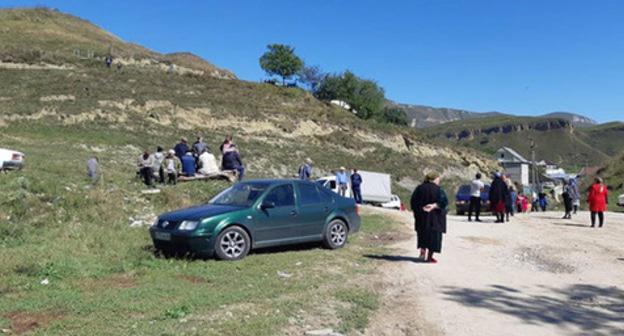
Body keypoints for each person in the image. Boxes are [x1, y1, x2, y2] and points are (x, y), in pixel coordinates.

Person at [410, 171, 448, 263]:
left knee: (422, 235)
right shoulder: (439, 190)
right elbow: (444, 202)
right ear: (435, 179)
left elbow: (413, 202)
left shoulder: (419, 188)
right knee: (434, 237)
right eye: (438, 179)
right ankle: (429, 257)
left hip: (422, 217)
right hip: (435, 218)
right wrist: (434, 206)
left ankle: (422, 253)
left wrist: (421, 208)